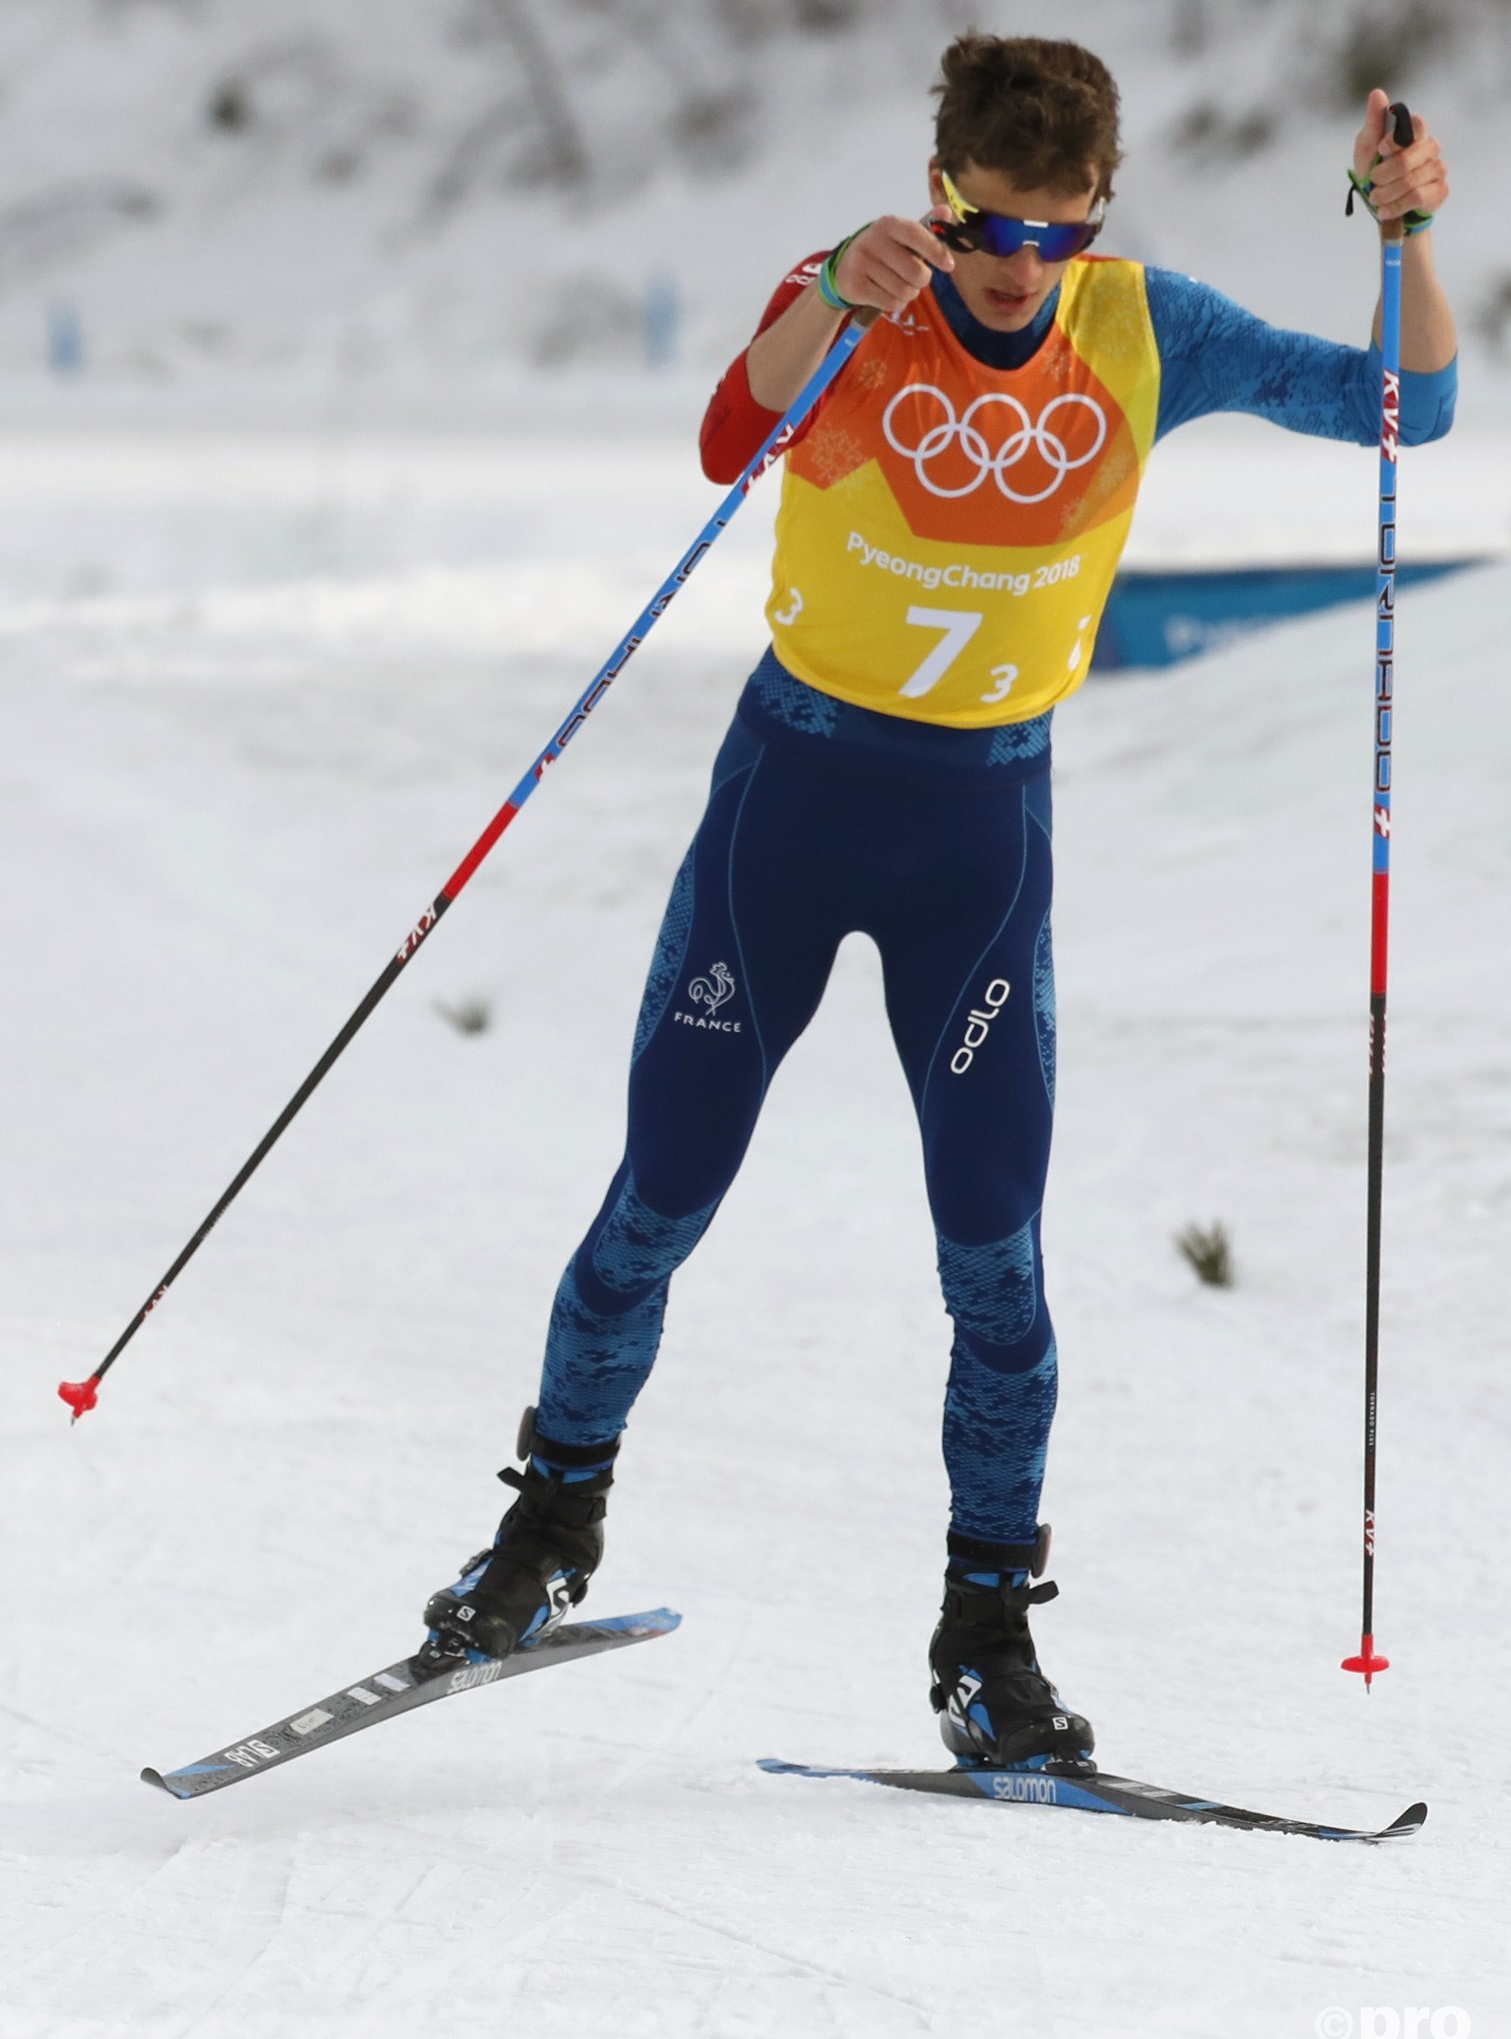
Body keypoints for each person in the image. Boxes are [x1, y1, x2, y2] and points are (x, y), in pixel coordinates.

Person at [414, 37, 1455, 1772]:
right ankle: (543, 1531)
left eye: (1056, 238)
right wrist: (828, 291)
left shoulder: (1144, 326)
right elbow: (728, 431)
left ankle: (988, 1636)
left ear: (1097, 217)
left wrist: (1405, 237)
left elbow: (1403, 404)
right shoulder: (863, 293)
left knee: (995, 1251)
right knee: (662, 1188)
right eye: (990, 232)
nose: (1018, 273)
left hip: (980, 835)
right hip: (794, 800)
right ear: (940, 196)